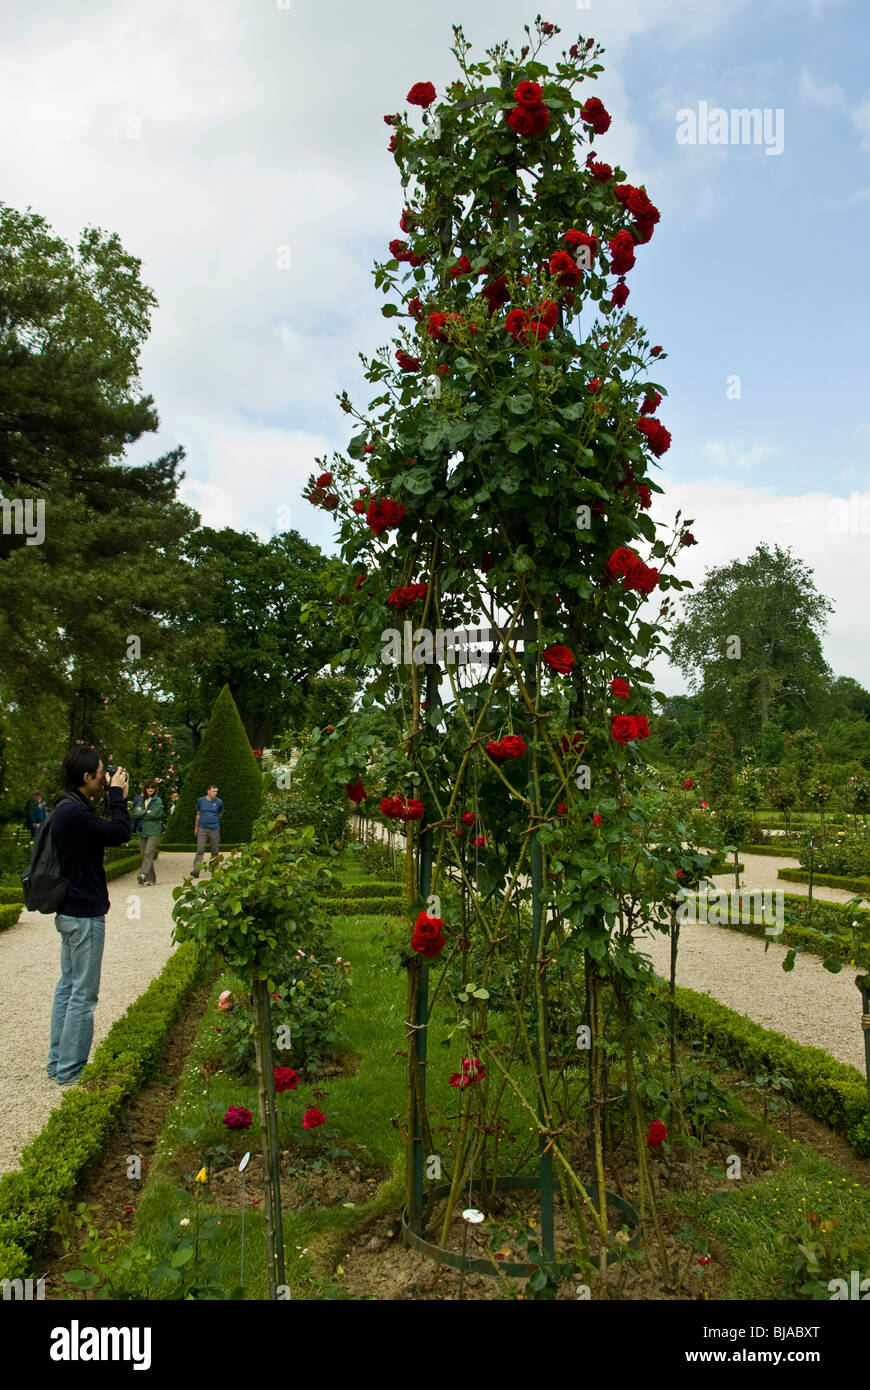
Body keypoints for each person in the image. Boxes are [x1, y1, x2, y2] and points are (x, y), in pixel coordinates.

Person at [46, 747, 131, 1087]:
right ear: (87, 777)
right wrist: (117, 797)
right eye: (100, 771)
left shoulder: (68, 807)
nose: (104, 775)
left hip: (70, 911)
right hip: (84, 915)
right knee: (83, 993)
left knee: (68, 988)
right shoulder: (76, 814)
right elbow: (120, 833)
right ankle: (71, 1071)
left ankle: (58, 1063)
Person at [191, 784, 224, 878]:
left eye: (216, 791)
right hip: (202, 828)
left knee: (215, 850)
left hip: (214, 829)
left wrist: (214, 820)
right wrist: (196, 828)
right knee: (200, 849)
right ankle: (196, 870)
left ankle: (215, 871)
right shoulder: (201, 801)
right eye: (213, 791)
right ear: (208, 791)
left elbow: (220, 813)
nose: (215, 793)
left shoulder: (219, 802)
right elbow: (198, 814)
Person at [136, 781, 163, 886]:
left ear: (155, 789)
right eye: (148, 788)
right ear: (145, 789)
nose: (150, 789)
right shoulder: (141, 800)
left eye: (152, 788)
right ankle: (151, 878)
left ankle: (143, 874)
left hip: (153, 830)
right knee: (144, 854)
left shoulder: (158, 800)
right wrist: (146, 812)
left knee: (148, 852)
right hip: (143, 830)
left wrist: (142, 812)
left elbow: (155, 815)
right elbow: (136, 813)